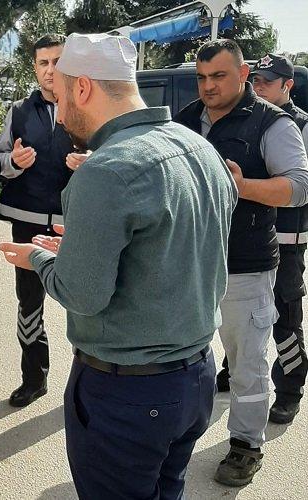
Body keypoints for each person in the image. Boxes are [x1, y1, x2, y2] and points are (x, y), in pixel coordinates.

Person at [0, 33, 236, 499]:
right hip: (195, 379)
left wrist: (39, 258)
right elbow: (172, 247)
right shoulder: (199, 149)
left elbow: (82, 294)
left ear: (83, 87)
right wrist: (83, 246)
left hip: (128, 394)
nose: (59, 115)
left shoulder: (106, 169)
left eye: (61, 97)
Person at [175, 40, 308, 486]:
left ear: (243, 73)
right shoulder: (186, 119)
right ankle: (178, 433)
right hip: (188, 263)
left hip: (245, 265)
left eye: (218, 76)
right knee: (185, 358)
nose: (208, 86)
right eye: (201, 78)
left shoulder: (273, 122)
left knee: (247, 364)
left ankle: (246, 445)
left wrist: (242, 185)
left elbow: (299, 187)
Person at [217, 53, 308, 425]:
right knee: (239, 315)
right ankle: (232, 368)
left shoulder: (299, 125)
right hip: (246, 238)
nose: (259, 87)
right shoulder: (244, 118)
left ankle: (289, 391)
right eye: (255, 80)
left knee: (284, 317)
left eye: (267, 82)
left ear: (288, 85)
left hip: (286, 238)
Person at [0, 33, 74, 407]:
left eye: (58, 61)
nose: (50, 70)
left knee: (85, 302)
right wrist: (12, 162)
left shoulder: (86, 106)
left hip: (77, 222)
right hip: (26, 220)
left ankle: (89, 383)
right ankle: (34, 378)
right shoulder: (19, 111)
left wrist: (93, 162)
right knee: (29, 303)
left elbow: (113, 156)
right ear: (35, 67)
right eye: (43, 62)